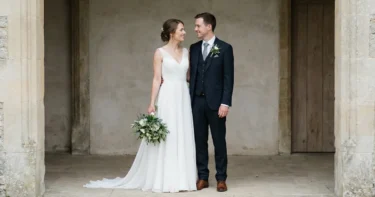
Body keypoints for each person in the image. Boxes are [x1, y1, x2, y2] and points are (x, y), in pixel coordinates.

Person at [83, 19, 197, 193]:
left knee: (183, 133)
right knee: (169, 135)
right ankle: (166, 179)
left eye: (184, 29)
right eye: (181, 29)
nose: (184, 32)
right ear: (172, 32)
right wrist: (152, 103)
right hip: (167, 97)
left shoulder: (187, 52)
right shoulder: (160, 53)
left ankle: (183, 179)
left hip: (183, 96)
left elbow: (188, 76)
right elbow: (157, 79)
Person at [189, 12, 234, 192]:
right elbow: (189, 73)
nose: (195, 29)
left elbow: (228, 78)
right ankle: (203, 177)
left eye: (198, 26)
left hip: (216, 104)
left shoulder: (224, 48)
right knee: (200, 141)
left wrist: (225, 103)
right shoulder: (193, 48)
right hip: (196, 103)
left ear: (209, 26)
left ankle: (221, 178)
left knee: (219, 141)